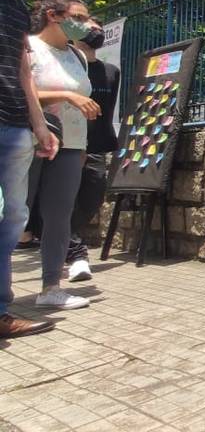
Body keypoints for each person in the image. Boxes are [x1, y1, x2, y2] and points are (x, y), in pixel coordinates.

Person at [0, 0, 59, 338]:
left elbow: (22, 69)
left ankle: (2, 310)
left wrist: (38, 123)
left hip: (15, 122)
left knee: (12, 217)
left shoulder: (17, 7)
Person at [26, 0, 97, 310]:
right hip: (29, 141)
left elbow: (86, 105)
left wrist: (82, 147)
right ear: (54, 16)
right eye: (78, 18)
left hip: (70, 146)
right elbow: (20, 92)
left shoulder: (77, 56)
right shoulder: (28, 47)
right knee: (13, 215)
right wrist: (66, 95)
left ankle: (51, 287)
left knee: (59, 216)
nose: (86, 25)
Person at [66, 18, 120, 282]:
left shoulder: (112, 71)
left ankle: (59, 237)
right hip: (68, 142)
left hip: (98, 144)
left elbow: (108, 109)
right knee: (63, 199)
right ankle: (75, 253)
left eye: (98, 27)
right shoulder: (68, 65)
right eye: (88, 26)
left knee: (94, 196)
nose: (94, 31)